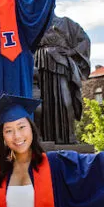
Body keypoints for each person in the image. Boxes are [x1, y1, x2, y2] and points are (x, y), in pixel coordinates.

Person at [34, 14, 91, 144]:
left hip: (60, 64)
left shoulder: (65, 22)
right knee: (42, 102)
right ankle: (43, 137)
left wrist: (73, 51)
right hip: (38, 64)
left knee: (65, 100)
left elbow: (84, 40)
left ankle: (68, 137)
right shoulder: (34, 22)